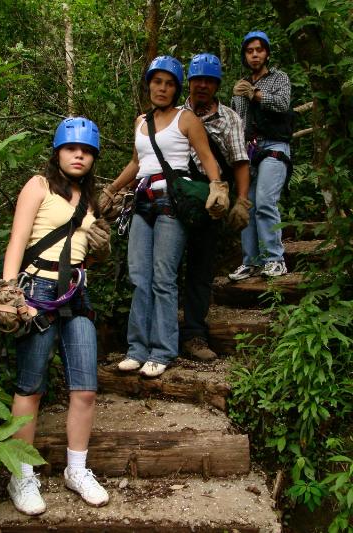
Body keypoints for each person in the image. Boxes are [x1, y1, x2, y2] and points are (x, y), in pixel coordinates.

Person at [1, 117, 110, 515]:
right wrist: (9, 290)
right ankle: (22, 475)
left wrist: (102, 248)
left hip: (76, 293)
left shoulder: (92, 198)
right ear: (58, 152)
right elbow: (17, 240)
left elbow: (87, 254)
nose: (79, 155)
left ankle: (76, 470)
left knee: (85, 388)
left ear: (93, 158)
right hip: (35, 292)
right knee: (30, 388)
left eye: (86, 151)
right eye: (71, 148)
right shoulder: (39, 185)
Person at [99, 55, 229, 377]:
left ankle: (163, 350)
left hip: (173, 202)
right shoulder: (141, 121)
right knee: (139, 277)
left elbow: (207, 157)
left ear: (176, 89)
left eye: (169, 83)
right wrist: (111, 190)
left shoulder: (187, 119)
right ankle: (137, 349)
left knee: (163, 277)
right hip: (142, 202)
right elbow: (136, 163)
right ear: (149, 84)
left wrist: (217, 186)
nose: (162, 88)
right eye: (157, 81)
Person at [181, 53, 251, 361]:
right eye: (198, 80)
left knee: (200, 268)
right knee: (164, 270)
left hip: (211, 201)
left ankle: (195, 333)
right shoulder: (173, 113)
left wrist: (242, 201)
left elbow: (239, 161)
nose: (203, 86)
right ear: (190, 82)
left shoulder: (229, 118)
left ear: (217, 85)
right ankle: (163, 335)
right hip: (172, 198)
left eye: (210, 81)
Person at [229, 30, 292, 280]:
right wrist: (237, 98)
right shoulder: (241, 83)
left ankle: (275, 259)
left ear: (266, 53)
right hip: (250, 150)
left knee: (265, 201)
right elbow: (238, 121)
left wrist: (255, 94)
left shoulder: (279, 78)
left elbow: (282, 103)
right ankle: (251, 261)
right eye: (250, 51)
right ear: (245, 55)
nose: (255, 55)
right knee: (247, 204)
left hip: (275, 145)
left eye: (259, 50)